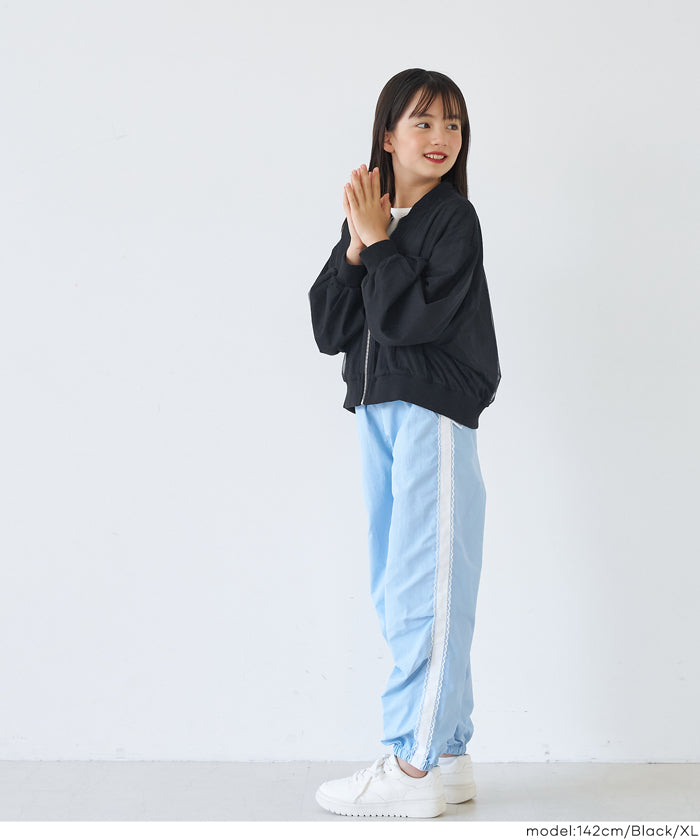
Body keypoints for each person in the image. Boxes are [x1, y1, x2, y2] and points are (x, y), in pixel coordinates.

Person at [307, 68, 501, 819]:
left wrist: (381, 245)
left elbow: (409, 322)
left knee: (429, 588)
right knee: (399, 590)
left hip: (430, 412)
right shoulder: (374, 219)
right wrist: (359, 247)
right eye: (423, 122)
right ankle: (446, 754)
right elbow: (332, 328)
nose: (442, 137)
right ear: (387, 136)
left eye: (453, 123)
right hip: (378, 413)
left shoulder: (454, 220)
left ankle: (411, 769)